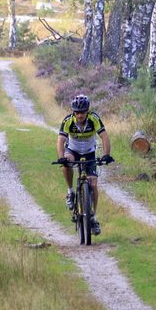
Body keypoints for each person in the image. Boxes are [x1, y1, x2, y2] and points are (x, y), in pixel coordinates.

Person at [57, 93, 112, 235]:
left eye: (82, 112)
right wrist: (61, 156)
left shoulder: (94, 119)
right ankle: (70, 192)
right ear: (73, 112)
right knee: (66, 163)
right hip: (72, 150)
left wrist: (106, 155)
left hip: (89, 152)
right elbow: (61, 140)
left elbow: (104, 136)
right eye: (77, 112)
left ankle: (93, 216)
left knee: (93, 184)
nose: (80, 115)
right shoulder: (68, 121)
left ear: (87, 111)